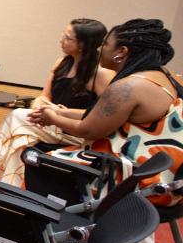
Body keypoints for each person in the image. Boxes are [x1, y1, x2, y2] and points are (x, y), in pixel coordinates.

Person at [0, 18, 112, 184]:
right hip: (49, 124)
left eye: (68, 38)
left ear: (83, 44)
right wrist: (38, 107)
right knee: (20, 142)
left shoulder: (101, 73)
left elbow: (100, 115)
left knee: (18, 115)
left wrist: (59, 113)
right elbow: (44, 96)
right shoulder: (62, 63)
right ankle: (8, 188)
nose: (61, 40)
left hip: (74, 132)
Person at [30, 19, 183, 195]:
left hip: (128, 177)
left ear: (121, 51)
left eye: (104, 44)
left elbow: (88, 130)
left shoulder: (127, 87)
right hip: (162, 176)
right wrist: (60, 112)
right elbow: (106, 116)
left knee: (34, 159)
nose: (99, 49)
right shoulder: (167, 77)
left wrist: (52, 118)